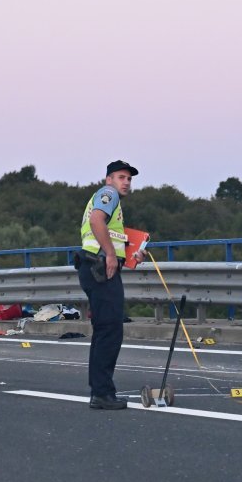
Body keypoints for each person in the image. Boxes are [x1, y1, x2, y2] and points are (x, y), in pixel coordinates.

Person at [77, 160, 143, 409]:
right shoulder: (108, 194)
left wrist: (130, 255)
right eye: (121, 177)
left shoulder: (109, 201)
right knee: (110, 330)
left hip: (95, 265)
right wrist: (112, 255)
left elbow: (109, 235)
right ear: (109, 179)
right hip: (99, 266)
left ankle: (100, 391)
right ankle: (102, 394)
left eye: (129, 178)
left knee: (105, 329)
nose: (126, 182)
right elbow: (96, 222)